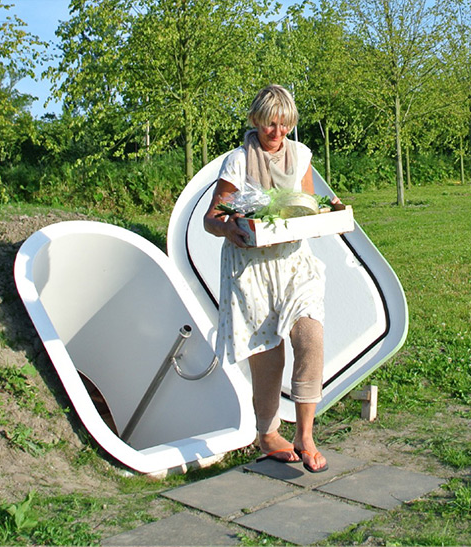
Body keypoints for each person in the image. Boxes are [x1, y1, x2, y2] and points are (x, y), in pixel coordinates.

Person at [203, 84, 338, 473]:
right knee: (268, 354)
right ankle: (267, 433)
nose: (275, 133)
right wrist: (231, 228)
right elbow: (213, 217)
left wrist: (332, 214)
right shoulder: (239, 161)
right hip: (253, 268)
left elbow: (309, 208)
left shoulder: (301, 157)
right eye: (268, 125)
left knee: (310, 337)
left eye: (282, 125)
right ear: (255, 122)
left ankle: (306, 435)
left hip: (294, 262)